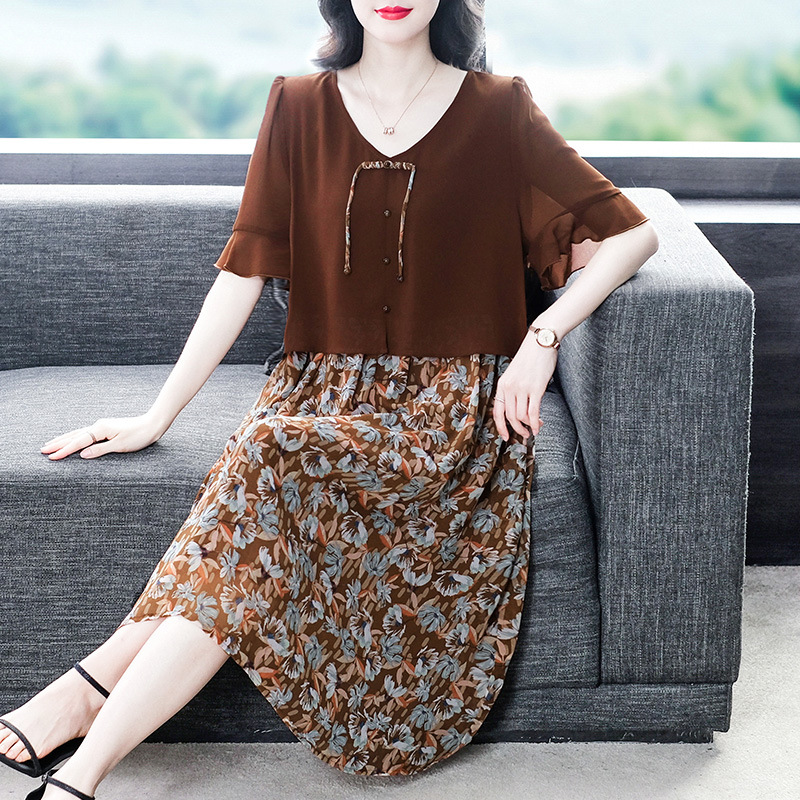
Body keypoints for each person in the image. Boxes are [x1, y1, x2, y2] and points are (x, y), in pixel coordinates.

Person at [0, 0, 659, 796]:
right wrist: (156, 415)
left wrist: (542, 339)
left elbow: (632, 233)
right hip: (321, 389)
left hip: (446, 415)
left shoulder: (500, 109)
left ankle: (86, 732)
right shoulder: (296, 106)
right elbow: (244, 270)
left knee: (271, 449)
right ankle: (87, 738)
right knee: (273, 455)